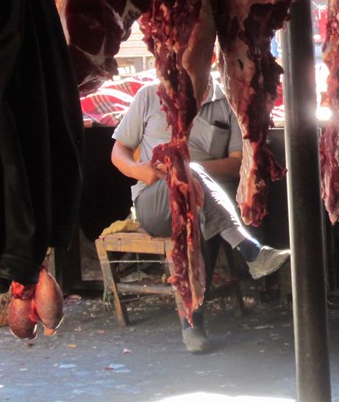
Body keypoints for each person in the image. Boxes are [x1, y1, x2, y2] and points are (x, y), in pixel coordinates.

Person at [111, 79, 290, 353]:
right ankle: (249, 249)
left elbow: (234, 164)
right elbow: (118, 151)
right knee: (190, 177)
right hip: (154, 200)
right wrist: (140, 171)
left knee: (194, 194)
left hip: (203, 203)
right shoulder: (149, 95)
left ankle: (194, 324)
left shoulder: (228, 102)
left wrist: (187, 170)